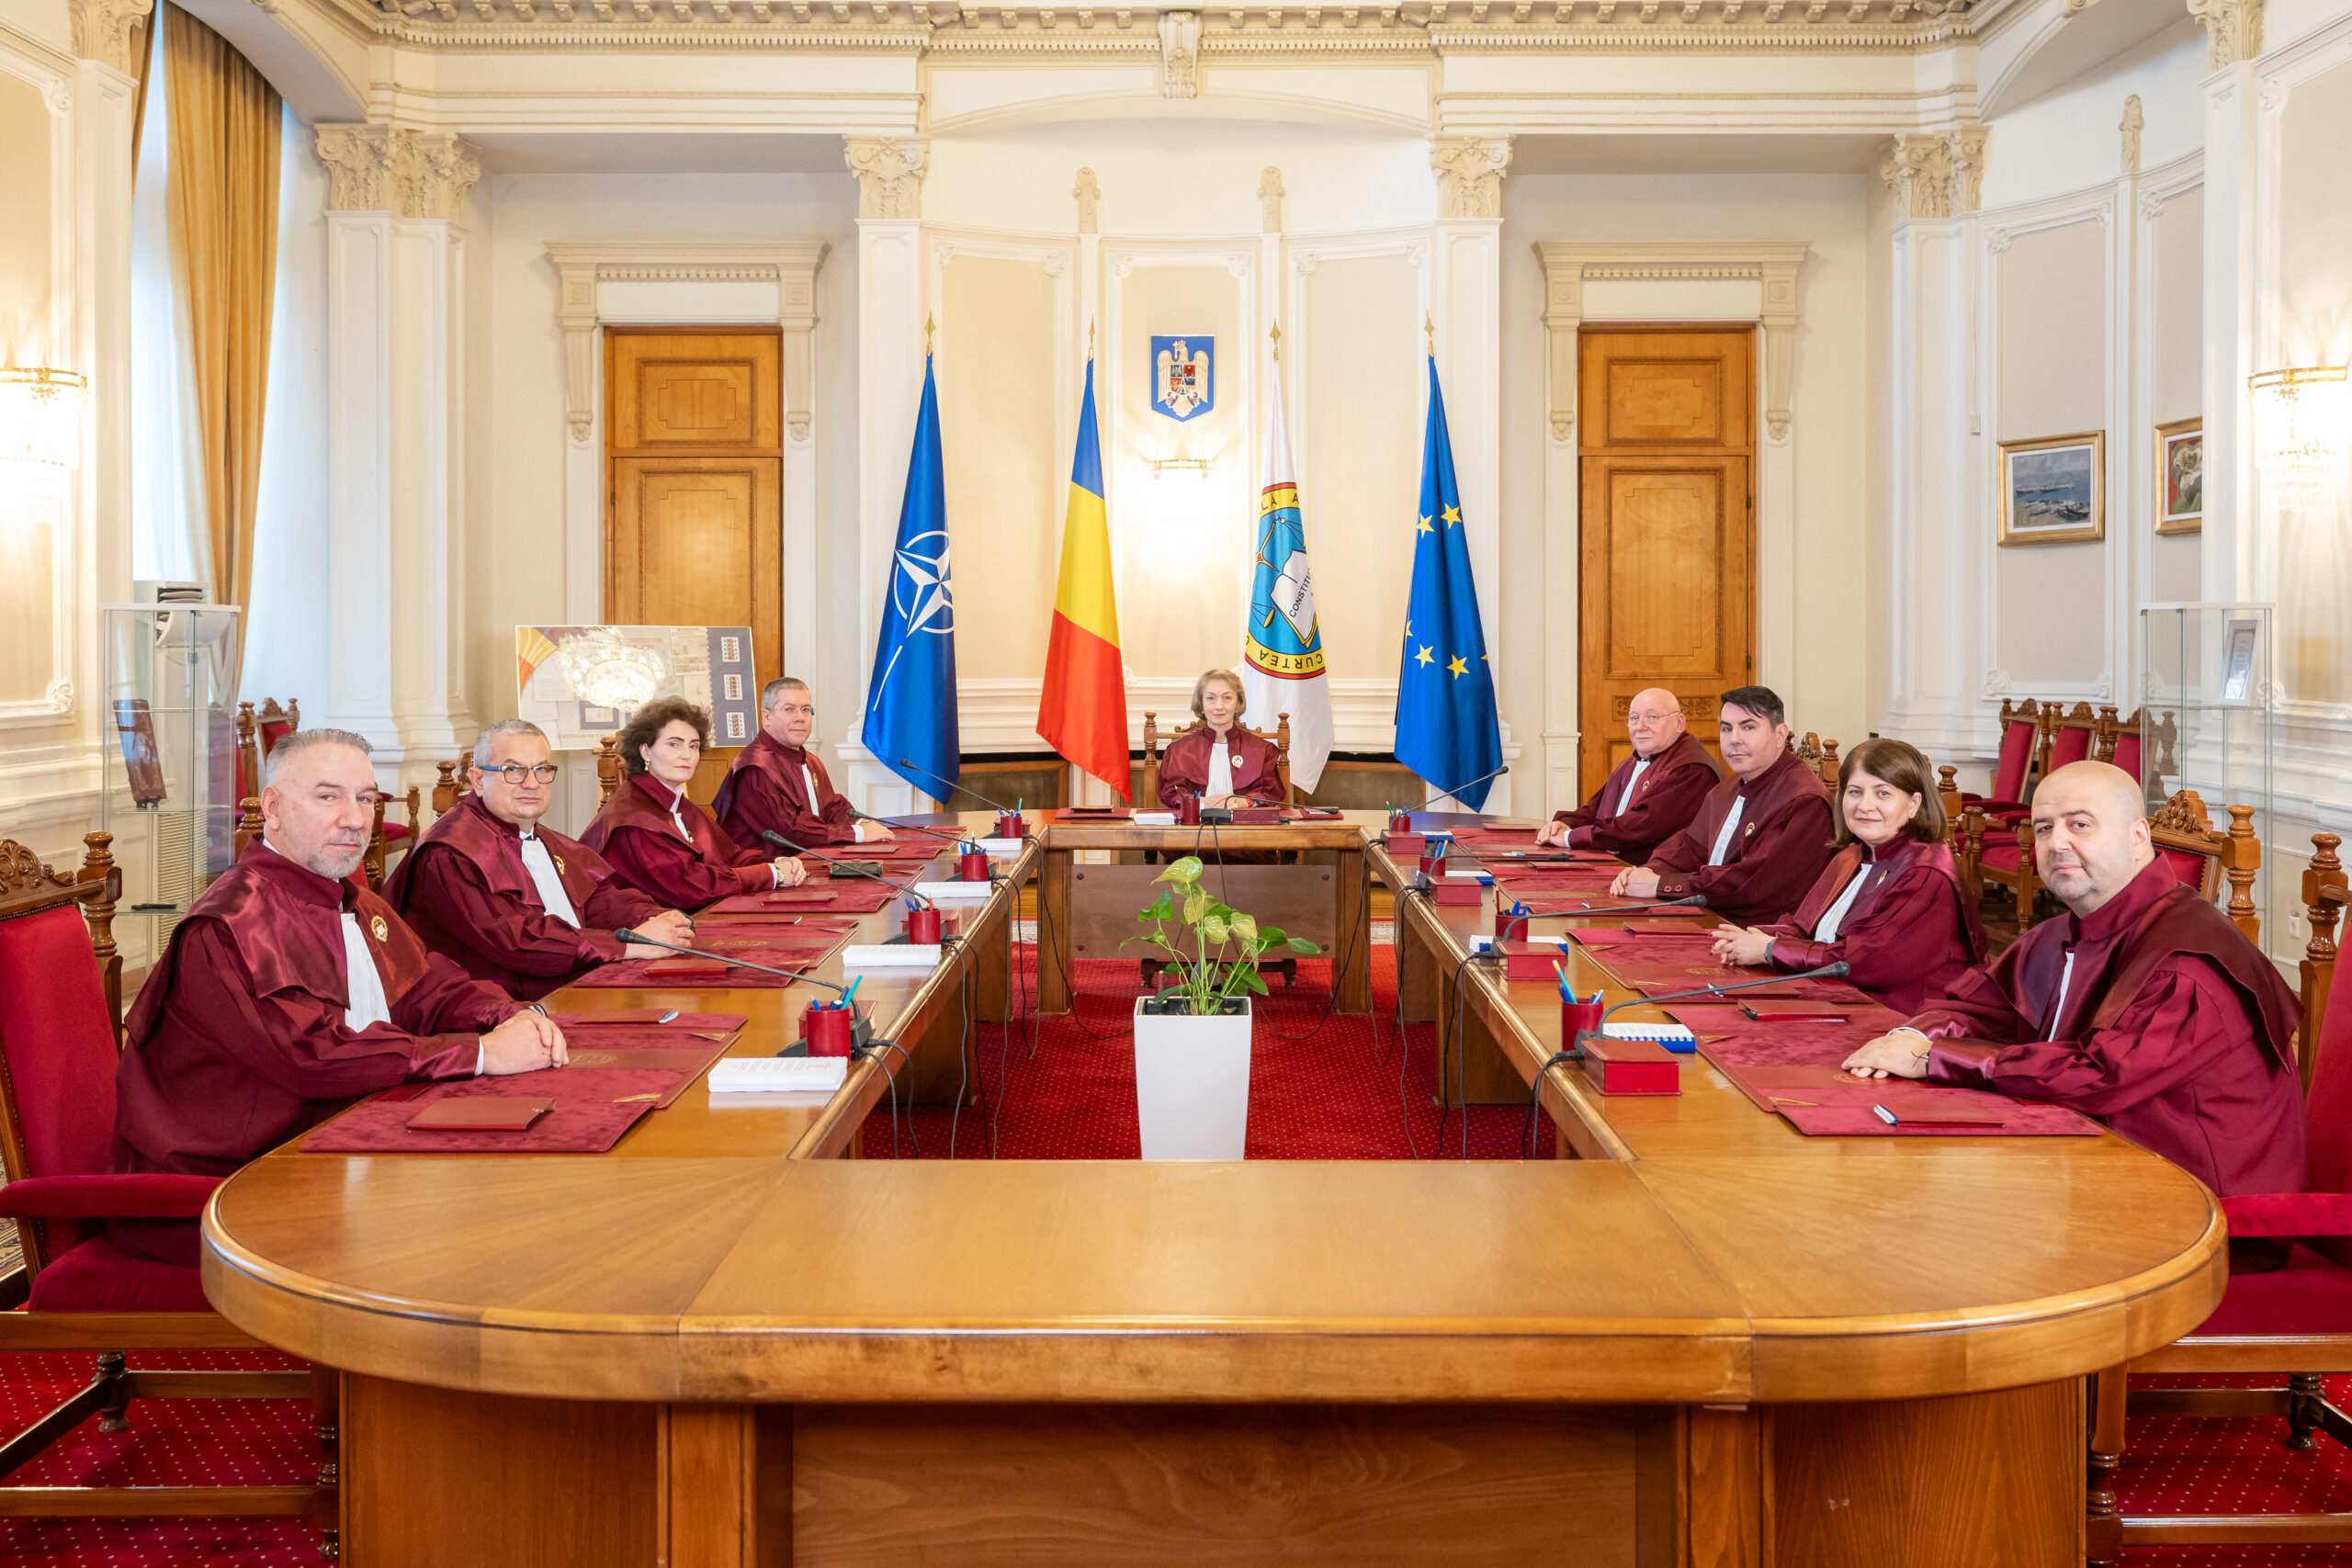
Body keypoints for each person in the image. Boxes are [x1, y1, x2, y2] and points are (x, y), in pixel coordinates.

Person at [109, 728, 569, 1262]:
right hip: (231, 1188)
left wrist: (512, 1016)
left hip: (336, 1146)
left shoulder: (353, 901)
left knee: (533, 1188)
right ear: (273, 809)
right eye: (328, 797)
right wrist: (484, 1054)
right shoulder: (230, 926)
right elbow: (311, 1058)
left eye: (366, 799)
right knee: (487, 1236)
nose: (354, 818)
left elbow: (428, 988)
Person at [1841, 761, 2304, 1211]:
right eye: (2043, 828)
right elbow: (1981, 1007)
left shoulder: (2187, 960)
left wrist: (1933, 1059)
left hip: (2193, 1209)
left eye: (2080, 825)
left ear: (2138, 837)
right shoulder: (2068, 930)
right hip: (2086, 1167)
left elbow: (2100, 1074)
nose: (2057, 842)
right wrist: (1913, 1035)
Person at [387, 719, 698, 1000]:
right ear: (478, 779)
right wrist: (632, 944)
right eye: (513, 769)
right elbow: (519, 943)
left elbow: (600, 902)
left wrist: (655, 917)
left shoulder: (541, 837)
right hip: (504, 1010)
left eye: (542, 769)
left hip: (570, 983)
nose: (532, 783)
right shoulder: (451, 853)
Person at [1709, 738, 1988, 1013]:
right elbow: (1803, 928)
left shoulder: (1926, 874)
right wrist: (1748, 939)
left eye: (1883, 793)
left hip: (1903, 1019)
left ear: (1914, 803)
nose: (1865, 806)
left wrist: (1771, 949)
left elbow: (1869, 962)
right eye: (1855, 792)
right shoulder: (1852, 856)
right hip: (1833, 996)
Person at [1611, 685, 1834, 927]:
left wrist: (1660, 884)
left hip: (1754, 936)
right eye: (1727, 729)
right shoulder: (1727, 789)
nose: (1734, 739)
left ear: (1780, 734)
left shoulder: (1805, 801)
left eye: (1748, 727)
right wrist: (1649, 871)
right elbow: (1688, 849)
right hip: (1711, 915)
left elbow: (1749, 884)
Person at [580, 698, 808, 910]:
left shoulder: (677, 803)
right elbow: (687, 888)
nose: (687, 755)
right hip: (645, 935)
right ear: (646, 751)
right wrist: (771, 874)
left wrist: (779, 862)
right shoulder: (633, 817)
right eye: (674, 745)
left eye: (693, 746)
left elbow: (728, 858)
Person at [1537, 687, 1719, 863]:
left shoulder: (1691, 770)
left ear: (1679, 723)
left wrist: (1570, 837)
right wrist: (1566, 824)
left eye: (1652, 717)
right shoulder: (1631, 763)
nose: (1640, 727)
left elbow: (1639, 827)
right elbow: (1593, 810)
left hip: (1653, 876)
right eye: (1634, 718)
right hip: (1617, 866)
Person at [713, 677, 893, 853]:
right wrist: (857, 833)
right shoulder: (755, 768)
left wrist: (863, 823)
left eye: (806, 709)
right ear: (766, 716)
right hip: (769, 872)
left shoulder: (810, 761)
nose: (800, 718)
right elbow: (788, 829)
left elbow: (831, 808)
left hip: (810, 861)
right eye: (789, 709)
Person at [1157, 669, 1285, 811]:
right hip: (1194, 828)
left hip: (1247, 828)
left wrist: (1246, 802)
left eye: (1227, 698)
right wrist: (1199, 802)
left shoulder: (1262, 750)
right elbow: (1171, 793)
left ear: (1238, 703)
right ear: (1201, 703)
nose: (1219, 706)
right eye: (1211, 698)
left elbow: (1270, 792)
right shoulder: (1179, 751)